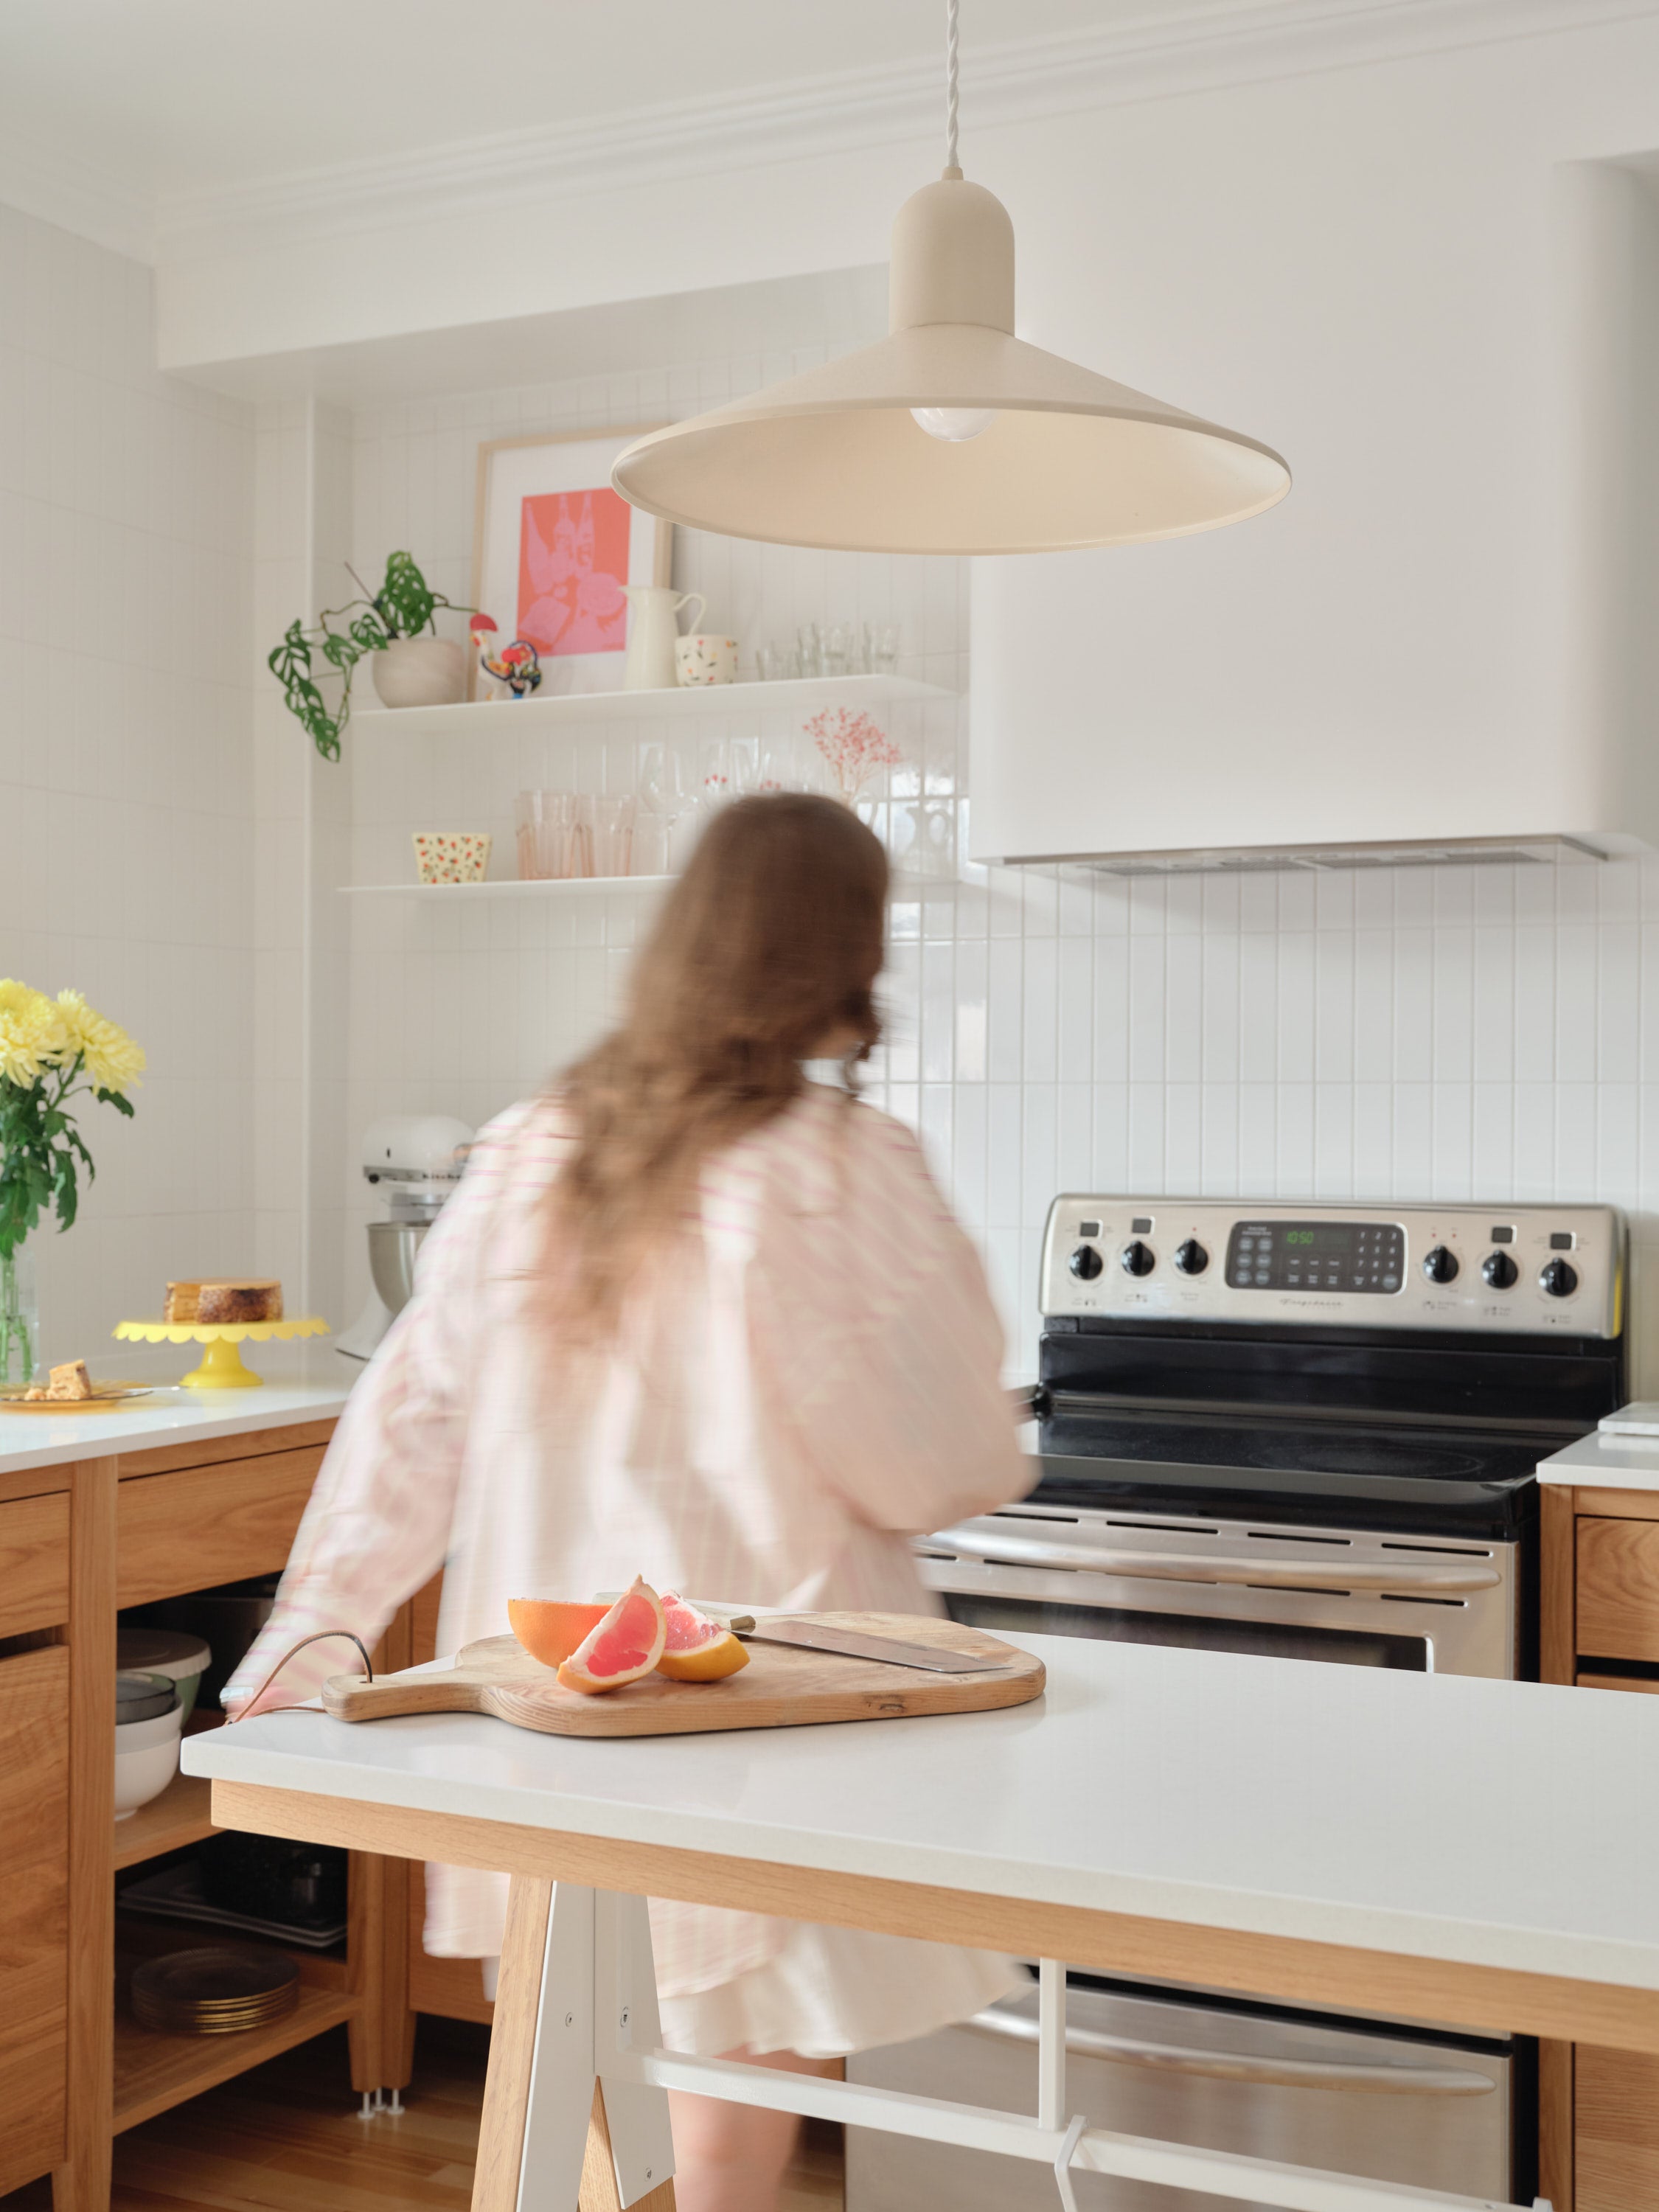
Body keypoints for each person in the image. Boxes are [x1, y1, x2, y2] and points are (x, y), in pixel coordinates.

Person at [225, 791, 1029, 2212]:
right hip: (773, 1727)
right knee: (726, 2115)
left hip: (551, 1717)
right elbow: (937, 1467)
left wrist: (317, 1626)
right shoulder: (836, 1173)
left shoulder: (532, 1147)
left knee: (585, 2074)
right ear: (844, 955)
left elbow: (413, 1412)